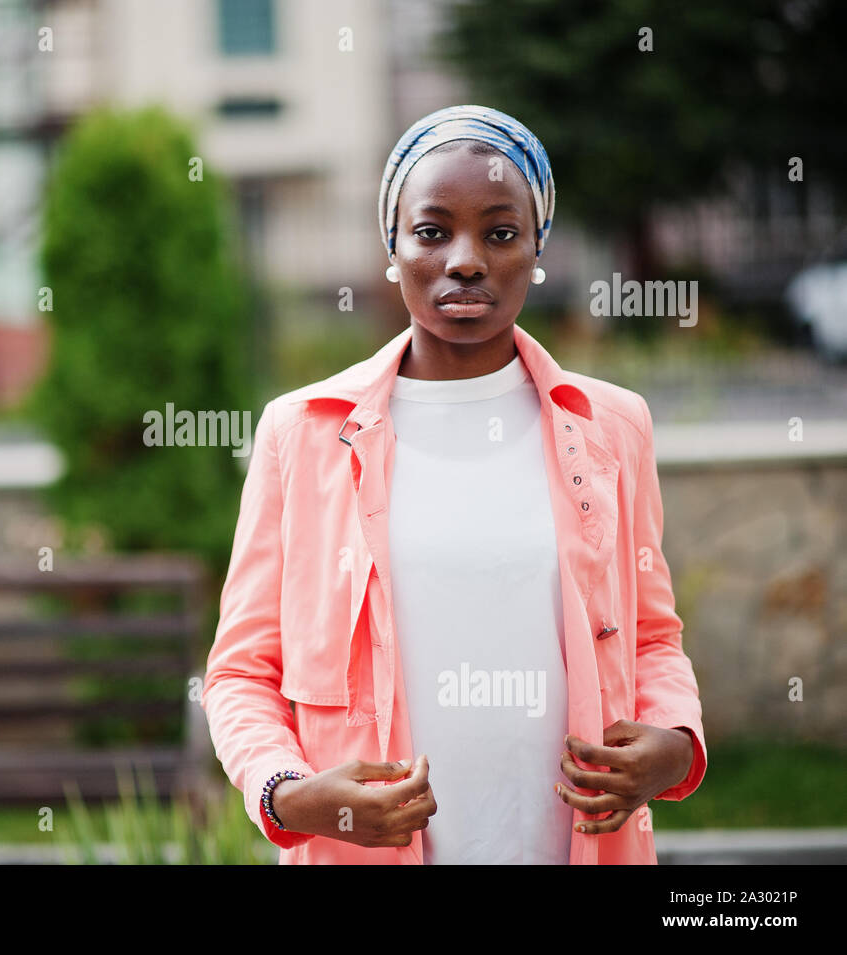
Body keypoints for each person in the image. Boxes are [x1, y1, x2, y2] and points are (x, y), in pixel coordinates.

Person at [200, 105, 706, 864]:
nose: (465, 260)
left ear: (537, 248)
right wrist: (288, 791)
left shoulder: (612, 427)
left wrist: (674, 743)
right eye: (432, 231)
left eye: (500, 233)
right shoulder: (299, 434)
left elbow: (653, 638)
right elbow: (242, 672)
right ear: (392, 247)